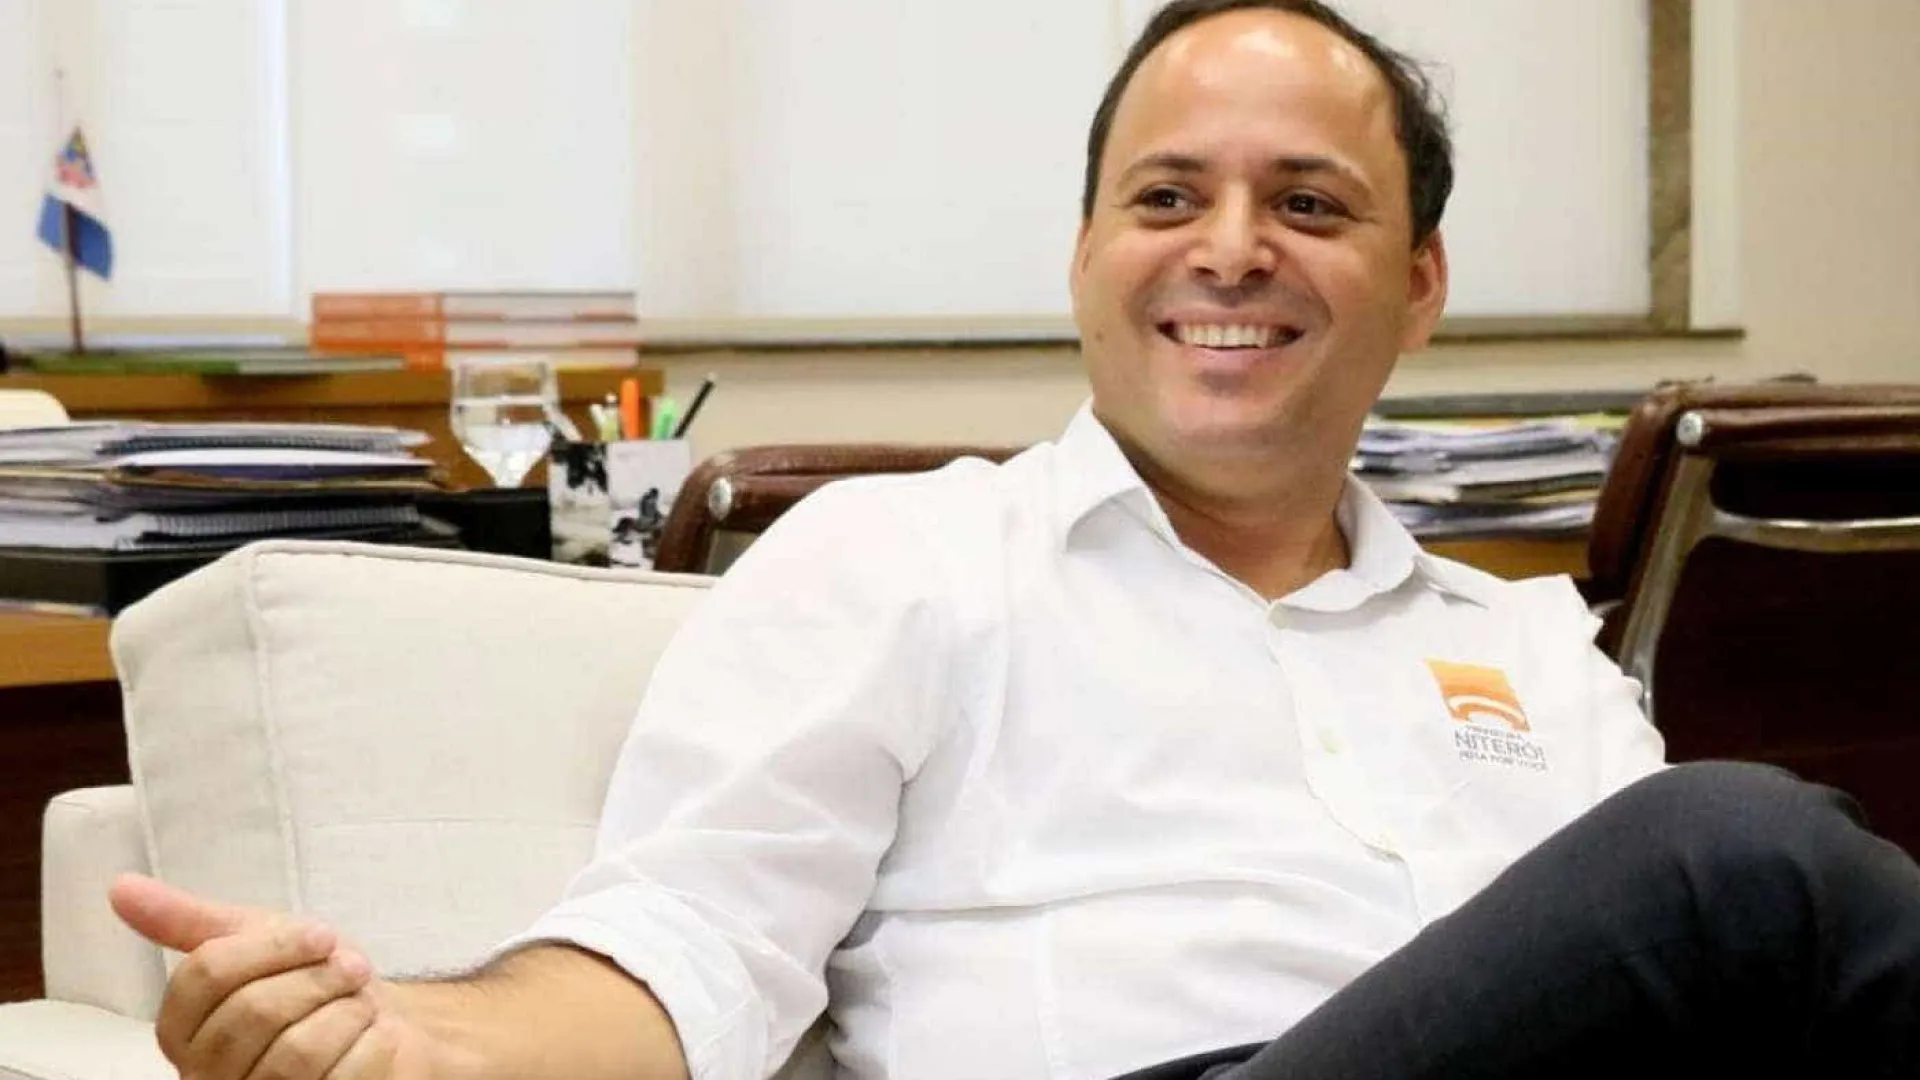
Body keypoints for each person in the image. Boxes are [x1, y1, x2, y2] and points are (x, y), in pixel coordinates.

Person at [108, 2, 1920, 1078]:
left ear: (1420, 282)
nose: (1231, 249)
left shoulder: (1524, 647)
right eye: (1167, 196)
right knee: (1737, 859)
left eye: (1309, 203)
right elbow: (689, 942)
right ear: (1086, 259)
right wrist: (419, 1043)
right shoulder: (900, 563)